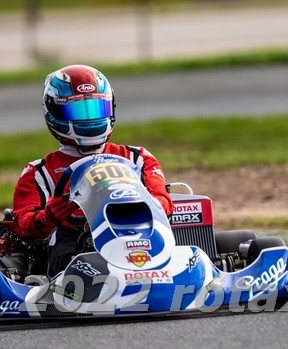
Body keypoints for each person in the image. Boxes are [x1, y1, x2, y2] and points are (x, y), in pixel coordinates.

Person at [10, 64, 173, 276]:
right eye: (78, 111)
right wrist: (49, 216)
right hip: (75, 244)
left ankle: (159, 269)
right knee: (69, 246)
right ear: (55, 112)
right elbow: (23, 224)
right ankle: (80, 286)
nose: (89, 120)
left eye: (96, 109)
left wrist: (148, 206)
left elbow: (162, 200)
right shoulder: (40, 172)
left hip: (140, 230)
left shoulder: (138, 158)